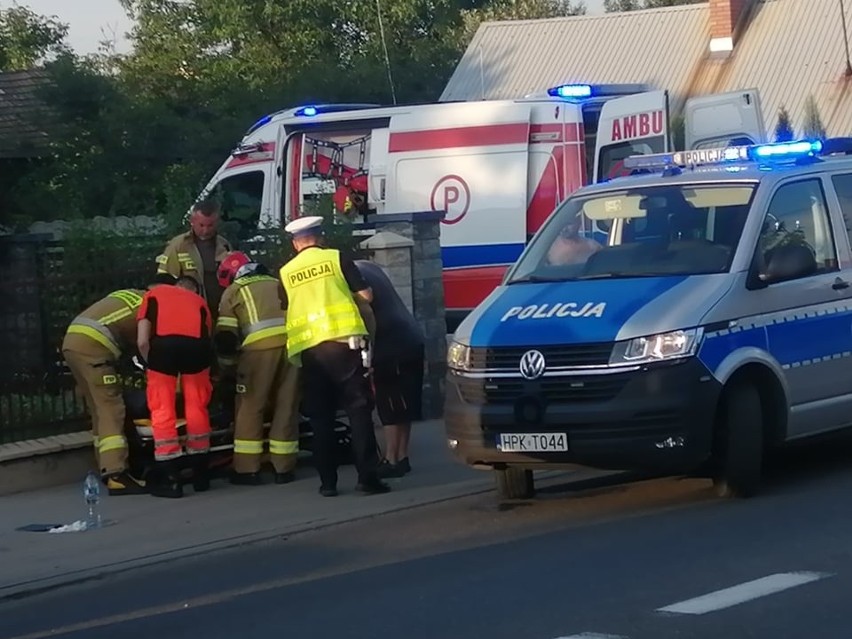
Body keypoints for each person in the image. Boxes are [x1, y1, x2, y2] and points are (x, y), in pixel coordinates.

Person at [278, 216, 389, 497]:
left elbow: (285, 307)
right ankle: (367, 478)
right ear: (321, 237)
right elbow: (366, 295)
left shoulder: (286, 272)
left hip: (310, 351)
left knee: (320, 417)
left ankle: (327, 483)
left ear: (295, 244)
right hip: (344, 344)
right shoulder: (336, 258)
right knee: (358, 411)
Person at [215, 251, 300, 486]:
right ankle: (284, 467)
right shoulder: (277, 282)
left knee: (250, 407)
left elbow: (225, 338)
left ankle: (246, 469)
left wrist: (228, 369)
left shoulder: (233, 291)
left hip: (257, 352)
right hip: (293, 347)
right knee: (287, 404)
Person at [61, 289, 148, 495]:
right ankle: (116, 474)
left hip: (72, 342)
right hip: (94, 347)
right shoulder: (153, 305)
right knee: (111, 407)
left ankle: (105, 466)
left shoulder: (130, 295)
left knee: (98, 408)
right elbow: (145, 343)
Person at [136, 274, 214, 499]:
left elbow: (142, 340)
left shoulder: (153, 295)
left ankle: (171, 480)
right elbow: (207, 338)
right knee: (197, 405)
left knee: (162, 407)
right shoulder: (200, 303)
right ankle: (201, 475)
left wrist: (150, 361)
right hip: (197, 350)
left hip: (163, 347)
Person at [354, 260, 425, 479]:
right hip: (411, 338)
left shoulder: (353, 280)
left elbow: (366, 317)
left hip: (390, 345)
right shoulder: (369, 267)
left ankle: (391, 459)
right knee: (404, 404)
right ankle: (401, 457)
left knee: (389, 405)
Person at [155, 199, 233, 317]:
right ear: (192, 221)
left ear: (217, 222)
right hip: (190, 312)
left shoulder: (224, 245)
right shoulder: (178, 245)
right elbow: (163, 282)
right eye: (201, 225)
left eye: (210, 225)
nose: (205, 230)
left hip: (221, 312)